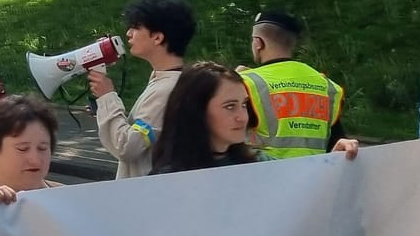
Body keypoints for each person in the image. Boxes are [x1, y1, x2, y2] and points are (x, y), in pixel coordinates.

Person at [152, 62, 358, 174]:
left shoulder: (258, 163)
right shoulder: (167, 180)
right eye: (230, 106)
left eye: (244, 104)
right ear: (196, 110)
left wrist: (335, 161)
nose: (243, 117)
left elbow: (305, 193)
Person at [89, 0, 195, 178]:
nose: (128, 33)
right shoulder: (170, 81)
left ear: (157, 37)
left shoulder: (165, 91)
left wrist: (107, 98)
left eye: (136, 27)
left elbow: (127, 146)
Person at [237, 11, 347, 158]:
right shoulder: (328, 86)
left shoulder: (246, 82)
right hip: (317, 175)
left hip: (264, 175)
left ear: (258, 43)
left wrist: (229, 79)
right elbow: (338, 143)